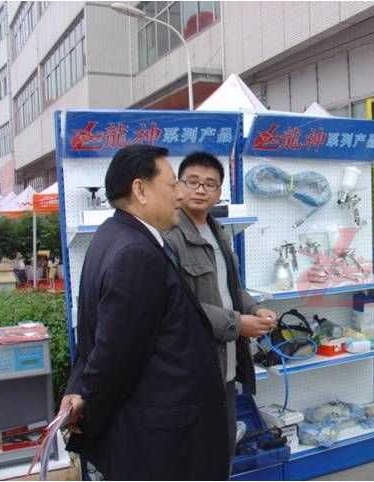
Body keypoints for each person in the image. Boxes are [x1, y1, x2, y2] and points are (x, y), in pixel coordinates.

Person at [59, 145, 229, 480]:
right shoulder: (136, 253)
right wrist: (87, 411)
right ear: (140, 189)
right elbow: (115, 356)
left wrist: (81, 393)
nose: (181, 194)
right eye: (172, 184)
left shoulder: (112, 235)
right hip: (160, 442)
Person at [164, 151, 277, 462]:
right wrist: (238, 324)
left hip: (225, 365)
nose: (201, 190)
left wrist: (254, 310)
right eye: (193, 182)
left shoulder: (218, 232)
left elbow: (231, 289)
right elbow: (177, 305)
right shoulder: (170, 237)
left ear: (219, 193)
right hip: (193, 369)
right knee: (196, 456)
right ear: (178, 186)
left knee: (222, 449)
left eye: (210, 184)